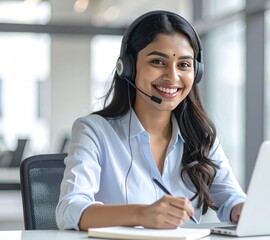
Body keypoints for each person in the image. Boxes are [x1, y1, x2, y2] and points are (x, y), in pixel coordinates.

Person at [56, 10, 246, 231]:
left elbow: (232, 198)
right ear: (127, 67)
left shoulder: (201, 135)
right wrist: (141, 214)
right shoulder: (94, 130)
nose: (172, 76)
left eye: (183, 65)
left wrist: (241, 209)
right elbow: (69, 209)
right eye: (157, 61)